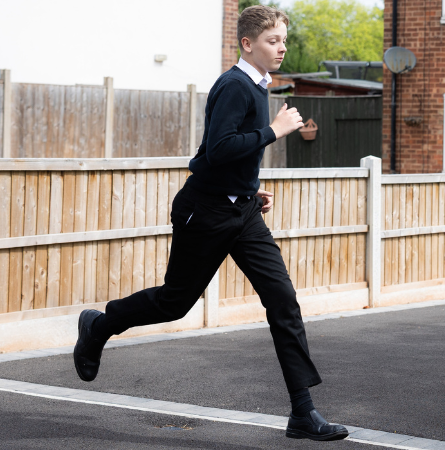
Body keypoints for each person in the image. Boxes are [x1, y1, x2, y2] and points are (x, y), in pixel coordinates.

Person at [72, 5, 348, 442]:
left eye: (283, 40)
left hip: (242, 212)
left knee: (283, 301)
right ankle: (100, 324)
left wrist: (250, 186)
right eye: (273, 41)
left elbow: (230, 157)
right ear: (248, 43)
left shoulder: (258, 87)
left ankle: (303, 412)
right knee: (174, 302)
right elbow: (216, 150)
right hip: (206, 211)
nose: (282, 48)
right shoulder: (234, 86)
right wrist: (274, 131)